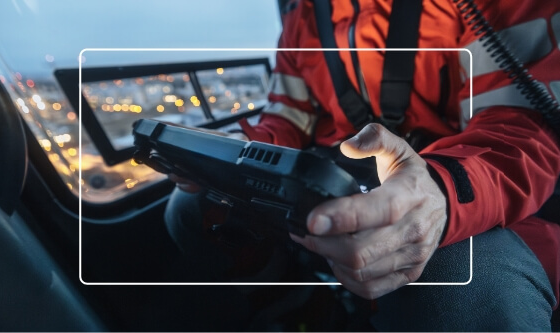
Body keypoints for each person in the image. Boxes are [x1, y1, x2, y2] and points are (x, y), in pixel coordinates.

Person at [165, 0, 560, 330]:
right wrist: (244, 150)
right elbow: (288, 117)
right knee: (192, 208)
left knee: (455, 277)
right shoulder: (302, 18)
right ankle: (307, 313)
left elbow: (521, 126)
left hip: (476, 190)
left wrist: (440, 193)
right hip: (348, 177)